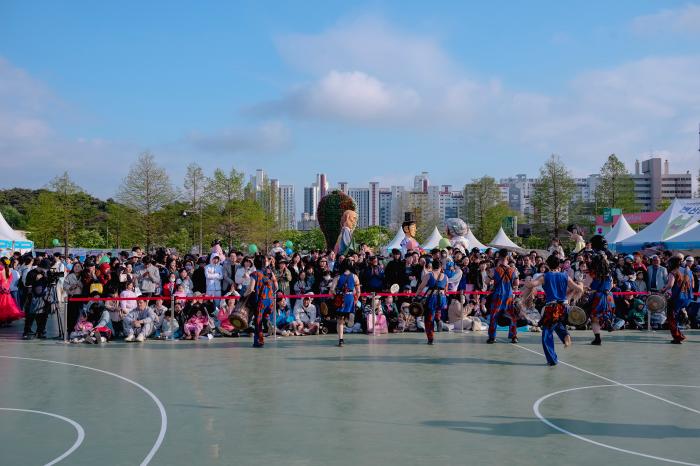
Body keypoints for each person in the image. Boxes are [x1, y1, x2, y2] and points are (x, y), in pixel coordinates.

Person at [526, 255, 583, 366]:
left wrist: (528, 279)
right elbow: (577, 288)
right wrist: (580, 284)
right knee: (556, 324)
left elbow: (531, 285)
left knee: (547, 334)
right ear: (559, 265)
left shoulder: (545, 276)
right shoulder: (565, 275)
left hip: (552, 307)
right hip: (564, 307)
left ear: (547, 264)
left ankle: (552, 360)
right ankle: (565, 335)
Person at [487, 250, 520, 344]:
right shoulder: (513, 270)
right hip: (509, 296)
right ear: (507, 257)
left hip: (498, 295)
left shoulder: (494, 270)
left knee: (494, 316)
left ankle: (492, 337)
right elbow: (516, 284)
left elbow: (486, 282)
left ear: (499, 257)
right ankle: (514, 336)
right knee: (512, 316)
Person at [415, 259, 447, 345]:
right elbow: (446, 290)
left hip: (432, 298)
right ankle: (438, 319)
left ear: (432, 266)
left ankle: (430, 338)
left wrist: (416, 295)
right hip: (442, 299)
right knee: (438, 310)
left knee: (429, 319)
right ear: (440, 267)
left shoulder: (429, 275)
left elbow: (421, 287)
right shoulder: (445, 277)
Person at [247, 255, 276, 347]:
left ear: (255, 263)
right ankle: (267, 323)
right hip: (270, 301)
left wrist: (244, 296)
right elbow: (276, 285)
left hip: (261, 301)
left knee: (258, 322)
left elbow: (251, 288)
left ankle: (259, 341)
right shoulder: (269, 272)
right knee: (265, 316)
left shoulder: (255, 274)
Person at [662, 256, 692, 344]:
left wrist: (663, 289)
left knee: (671, 318)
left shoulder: (673, 272)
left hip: (676, 298)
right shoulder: (688, 271)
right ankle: (683, 321)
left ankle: (678, 337)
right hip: (686, 297)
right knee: (677, 316)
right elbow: (692, 284)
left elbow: (670, 285)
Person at [330, 259, 360, 347]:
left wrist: (334, 296)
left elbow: (332, 289)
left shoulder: (338, 277)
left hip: (340, 298)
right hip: (350, 298)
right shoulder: (355, 276)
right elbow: (358, 291)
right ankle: (349, 317)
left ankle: (341, 340)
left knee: (339, 320)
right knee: (348, 313)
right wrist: (356, 300)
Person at [587, 253, 615, 346]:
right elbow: (611, 285)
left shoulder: (593, 273)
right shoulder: (609, 272)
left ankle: (597, 339)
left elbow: (588, 285)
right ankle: (607, 320)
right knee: (605, 312)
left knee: (594, 318)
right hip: (608, 296)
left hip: (597, 296)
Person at [0, 259, 24, 325]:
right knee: (8, 306)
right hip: (7, 291)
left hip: (2, 291)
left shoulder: (1, 271)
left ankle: (3, 321)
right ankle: (7, 320)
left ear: (2, 263)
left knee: (2, 306)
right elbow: (9, 281)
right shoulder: (9, 271)